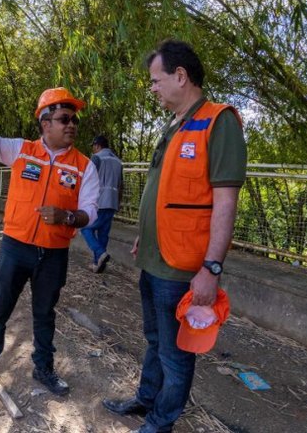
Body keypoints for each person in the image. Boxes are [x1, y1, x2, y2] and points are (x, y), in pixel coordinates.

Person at [102, 40, 246, 433]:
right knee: (154, 339)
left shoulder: (220, 122)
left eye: (156, 80)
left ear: (180, 76)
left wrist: (211, 268)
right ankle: (146, 399)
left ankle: (160, 423)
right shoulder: (175, 124)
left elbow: (225, 203)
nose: (152, 88)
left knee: (176, 353)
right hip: (154, 258)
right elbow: (167, 194)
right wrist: (144, 238)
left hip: (183, 266)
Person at [0, 87, 98, 403]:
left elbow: (91, 212)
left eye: (74, 119)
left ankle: (43, 369)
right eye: (64, 118)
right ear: (46, 123)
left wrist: (67, 216)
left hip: (54, 254)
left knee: (45, 315)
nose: (72, 124)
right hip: (15, 248)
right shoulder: (22, 150)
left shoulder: (85, 166)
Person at [80, 135, 124, 273]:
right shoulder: (118, 161)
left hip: (98, 201)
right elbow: (121, 185)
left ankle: (100, 253)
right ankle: (97, 263)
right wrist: (118, 201)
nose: (93, 149)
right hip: (112, 201)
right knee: (103, 233)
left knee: (86, 228)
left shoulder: (97, 158)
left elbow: (89, 179)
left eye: (93, 146)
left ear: (97, 145)